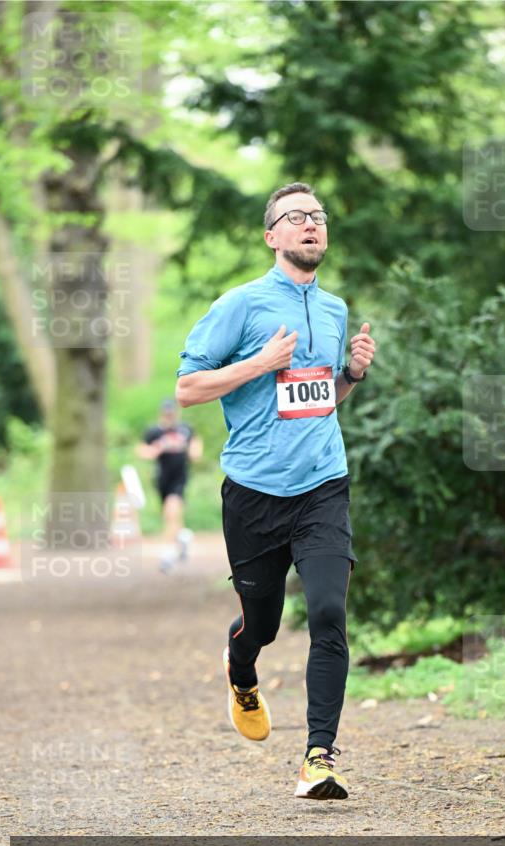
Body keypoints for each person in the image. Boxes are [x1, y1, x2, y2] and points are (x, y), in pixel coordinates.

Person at [175, 182, 375, 799]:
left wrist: (352, 374)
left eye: (318, 215)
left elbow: (320, 400)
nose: (311, 224)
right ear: (272, 236)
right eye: (296, 217)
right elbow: (188, 389)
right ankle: (241, 670)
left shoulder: (334, 308)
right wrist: (260, 364)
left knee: (328, 613)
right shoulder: (240, 305)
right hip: (255, 493)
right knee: (260, 625)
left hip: (322, 486)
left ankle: (319, 757)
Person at [137, 400, 203, 573]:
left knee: (172, 511)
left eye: (172, 413)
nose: (169, 417)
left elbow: (196, 453)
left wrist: (187, 447)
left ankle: (167, 555)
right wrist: (159, 447)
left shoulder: (185, 429)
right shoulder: (154, 431)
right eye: (166, 414)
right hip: (162, 479)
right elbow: (143, 451)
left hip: (179, 478)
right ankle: (184, 537)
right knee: (170, 516)